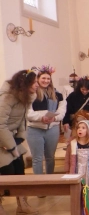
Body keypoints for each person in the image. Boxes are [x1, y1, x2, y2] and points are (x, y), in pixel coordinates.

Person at [0, 69, 39, 214]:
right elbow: (0, 124)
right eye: (34, 82)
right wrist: (10, 146)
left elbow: (23, 119)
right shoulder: (7, 97)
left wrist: (20, 138)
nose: (37, 85)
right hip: (2, 137)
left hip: (10, 137)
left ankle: (22, 205)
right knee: (5, 172)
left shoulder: (27, 96)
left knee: (19, 171)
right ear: (24, 84)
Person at [26, 66, 66, 179]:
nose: (46, 81)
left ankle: (50, 180)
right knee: (37, 158)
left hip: (52, 128)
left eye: (48, 78)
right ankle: (39, 184)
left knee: (50, 157)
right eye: (43, 78)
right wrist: (41, 117)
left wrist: (55, 118)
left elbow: (62, 110)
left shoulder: (57, 94)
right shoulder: (30, 94)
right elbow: (27, 112)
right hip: (34, 129)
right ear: (38, 79)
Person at [65, 120, 89, 212]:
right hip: (77, 167)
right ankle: (79, 202)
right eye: (78, 128)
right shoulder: (73, 143)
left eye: (83, 128)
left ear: (88, 130)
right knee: (78, 186)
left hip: (88, 168)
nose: (80, 130)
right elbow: (68, 158)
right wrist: (68, 170)